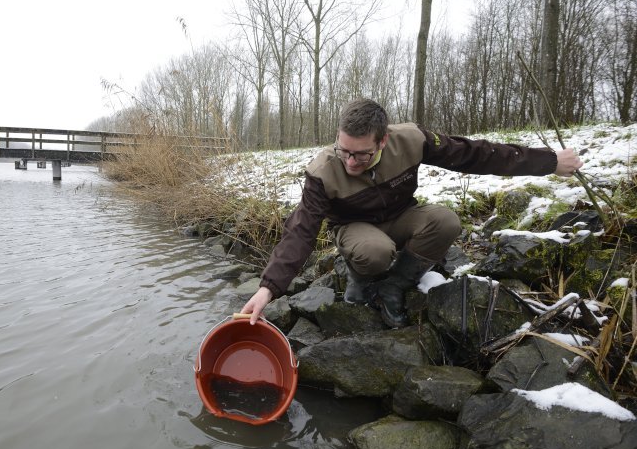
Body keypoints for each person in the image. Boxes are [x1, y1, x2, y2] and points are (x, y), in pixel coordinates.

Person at [239, 98, 583, 328]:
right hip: (354, 228)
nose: (350, 162)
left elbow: (476, 154)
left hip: (402, 215)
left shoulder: (412, 140)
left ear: (383, 141)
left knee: (446, 221)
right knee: (375, 252)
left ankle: (395, 285)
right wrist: (269, 288)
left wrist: (549, 162)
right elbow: (300, 231)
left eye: (361, 154)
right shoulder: (323, 171)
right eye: (344, 151)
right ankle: (360, 279)